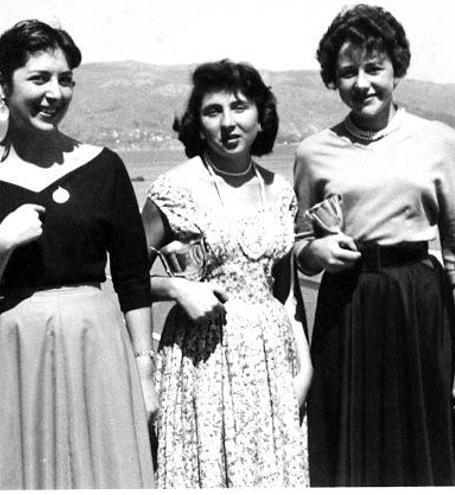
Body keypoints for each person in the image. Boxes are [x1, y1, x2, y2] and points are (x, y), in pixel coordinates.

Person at [0, 20, 156, 489]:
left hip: (95, 345)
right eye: (39, 79)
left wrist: (144, 370)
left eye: (65, 79)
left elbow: (134, 278)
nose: (54, 93)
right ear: (2, 82)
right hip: (10, 353)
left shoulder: (103, 167)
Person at [293, 4, 455, 486]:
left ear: (397, 69)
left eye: (374, 68)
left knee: (419, 438)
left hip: (418, 303)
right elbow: (299, 246)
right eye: (347, 72)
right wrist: (318, 253)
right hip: (346, 305)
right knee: (349, 437)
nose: (362, 83)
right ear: (333, 79)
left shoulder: (439, 141)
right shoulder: (313, 152)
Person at [142, 59, 311, 488]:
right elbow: (122, 281)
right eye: (212, 111)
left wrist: (304, 366)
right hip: (202, 359)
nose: (228, 123)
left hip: (272, 362)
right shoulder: (174, 189)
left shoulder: (281, 192)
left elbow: (286, 292)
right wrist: (177, 288)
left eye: (239, 108)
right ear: (197, 123)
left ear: (261, 117)